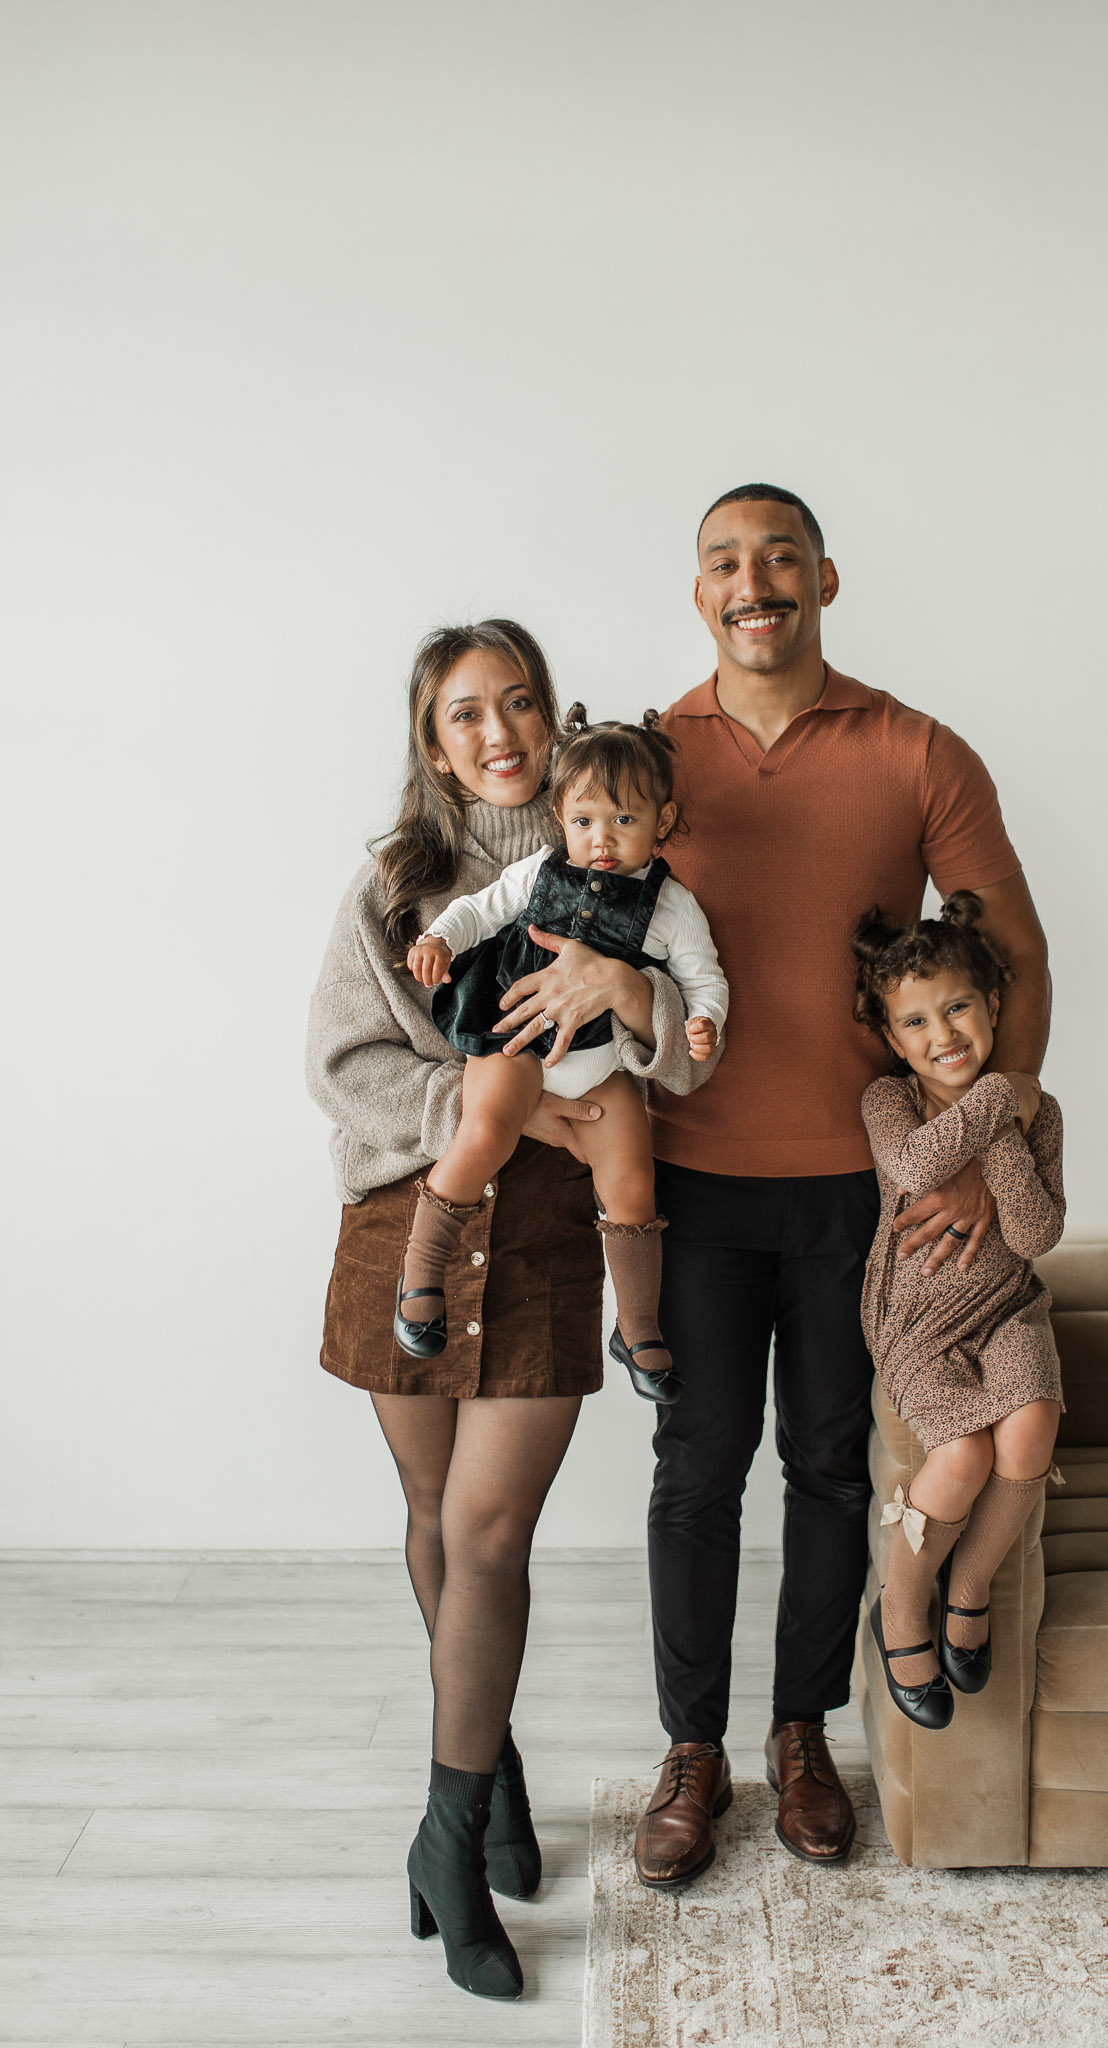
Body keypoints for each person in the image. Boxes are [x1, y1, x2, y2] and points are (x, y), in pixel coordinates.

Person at [632, 484, 1052, 1888]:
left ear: (825, 577)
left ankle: (800, 1735)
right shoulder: (650, 753)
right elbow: (572, 904)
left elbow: (1019, 957)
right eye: (724, 564)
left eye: (779, 559)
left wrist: (992, 1151)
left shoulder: (915, 748)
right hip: (688, 1180)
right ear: (700, 593)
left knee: (824, 1467)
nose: (754, 583)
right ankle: (692, 1754)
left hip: (864, 1203)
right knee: (696, 1474)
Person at [306, 620, 712, 2001]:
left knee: (488, 1531)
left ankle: (444, 1835)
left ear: (553, 717)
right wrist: (498, 1108)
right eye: (464, 715)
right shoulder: (395, 886)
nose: (497, 733)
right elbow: (343, 1065)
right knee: (430, 1522)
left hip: (545, 1241)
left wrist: (638, 993)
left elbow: (681, 1078)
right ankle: (483, 1764)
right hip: (410, 1221)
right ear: (432, 743)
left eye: (519, 703)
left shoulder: (622, 857)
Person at [397, 706, 728, 1404]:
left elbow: (704, 977)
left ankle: (636, 1327)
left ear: (662, 822)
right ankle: (422, 1273)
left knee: (633, 1180)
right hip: (512, 1038)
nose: (600, 840)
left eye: (623, 822)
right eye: (583, 822)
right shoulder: (535, 873)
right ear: (560, 817)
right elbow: (476, 911)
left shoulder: (670, 906)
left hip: (602, 1060)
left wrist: (702, 1020)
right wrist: (438, 943)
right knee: (482, 1130)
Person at [851, 894, 1064, 1732]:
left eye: (958, 1008)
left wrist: (1011, 1124)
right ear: (892, 1039)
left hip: (1009, 1305)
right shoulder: (889, 1104)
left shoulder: (1035, 1117)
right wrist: (999, 1095)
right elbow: (914, 1162)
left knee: (1030, 1423)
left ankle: (967, 1586)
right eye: (915, 1023)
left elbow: (1037, 1230)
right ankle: (901, 1604)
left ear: (994, 1006)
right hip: (915, 1321)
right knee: (962, 1455)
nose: (942, 1036)